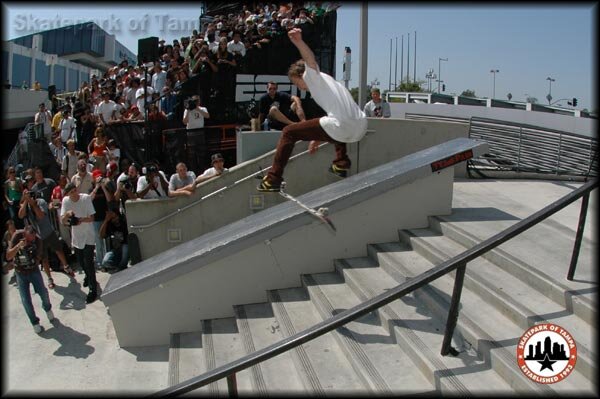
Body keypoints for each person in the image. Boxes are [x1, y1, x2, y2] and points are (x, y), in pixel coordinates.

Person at [257, 27, 367, 192]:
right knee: (333, 121)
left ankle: (273, 178)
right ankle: (341, 163)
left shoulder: (312, 76)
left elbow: (310, 60)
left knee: (288, 132)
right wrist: (317, 137)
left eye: (296, 83)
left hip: (342, 126)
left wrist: (299, 42)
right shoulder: (331, 82)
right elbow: (333, 118)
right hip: (360, 126)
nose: (299, 88)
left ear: (301, 76)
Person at [18, 187, 74, 290]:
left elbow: (41, 216)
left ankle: (66, 266)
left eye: (31, 196)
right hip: (39, 237)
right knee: (44, 259)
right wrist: (26, 201)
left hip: (49, 232)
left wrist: (33, 204)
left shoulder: (41, 202)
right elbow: (20, 215)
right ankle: (49, 278)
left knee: (59, 250)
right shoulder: (27, 206)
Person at [5, 225, 55, 334]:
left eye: (32, 238)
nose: (29, 240)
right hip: (20, 273)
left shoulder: (38, 240)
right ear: (24, 234)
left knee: (43, 292)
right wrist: (18, 246)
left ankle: (47, 308)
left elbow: (38, 259)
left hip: (33, 271)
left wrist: (29, 253)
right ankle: (34, 322)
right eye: (28, 238)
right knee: (25, 300)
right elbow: (8, 256)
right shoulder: (17, 236)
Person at [60, 183, 98, 304]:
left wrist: (80, 220)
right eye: (71, 192)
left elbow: (92, 217)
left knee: (89, 262)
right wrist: (68, 215)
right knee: (81, 261)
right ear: (68, 194)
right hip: (77, 237)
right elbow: (62, 220)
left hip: (88, 235)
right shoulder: (66, 201)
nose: (74, 193)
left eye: (75, 190)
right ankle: (88, 275)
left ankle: (93, 289)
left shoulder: (85, 198)